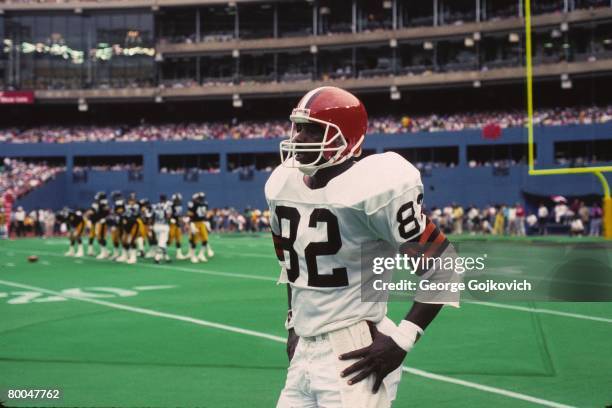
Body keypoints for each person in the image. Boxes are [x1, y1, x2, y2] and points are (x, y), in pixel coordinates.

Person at [266, 87, 460, 407]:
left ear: (347, 138)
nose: (298, 137)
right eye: (297, 127)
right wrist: (292, 324)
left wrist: (403, 339)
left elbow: (443, 266)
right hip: (304, 351)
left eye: (313, 129)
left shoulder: (373, 188)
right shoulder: (281, 184)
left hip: (353, 349)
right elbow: (293, 264)